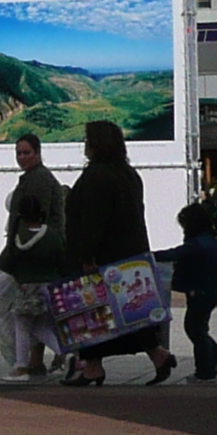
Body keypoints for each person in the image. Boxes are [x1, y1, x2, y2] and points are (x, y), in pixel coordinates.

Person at [60, 120, 172, 387]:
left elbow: (92, 220)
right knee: (130, 312)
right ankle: (157, 356)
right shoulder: (128, 174)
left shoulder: (97, 176)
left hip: (102, 258)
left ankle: (94, 368)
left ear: (96, 144)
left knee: (91, 312)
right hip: (129, 256)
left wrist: (87, 256)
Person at [0, 132, 71, 377]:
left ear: (38, 153)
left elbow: (34, 220)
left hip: (29, 269)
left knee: (24, 320)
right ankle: (35, 360)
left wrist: (8, 258)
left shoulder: (38, 182)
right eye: (19, 153)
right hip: (39, 267)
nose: (22, 158)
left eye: (27, 152)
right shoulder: (35, 179)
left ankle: (29, 362)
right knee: (35, 321)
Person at [161, 201, 217, 383]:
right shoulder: (213, 241)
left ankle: (206, 371)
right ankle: (215, 357)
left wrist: (150, 256)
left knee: (195, 328)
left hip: (200, 291)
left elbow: (175, 254)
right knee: (197, 328)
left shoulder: (198, 244)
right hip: (210, 290)